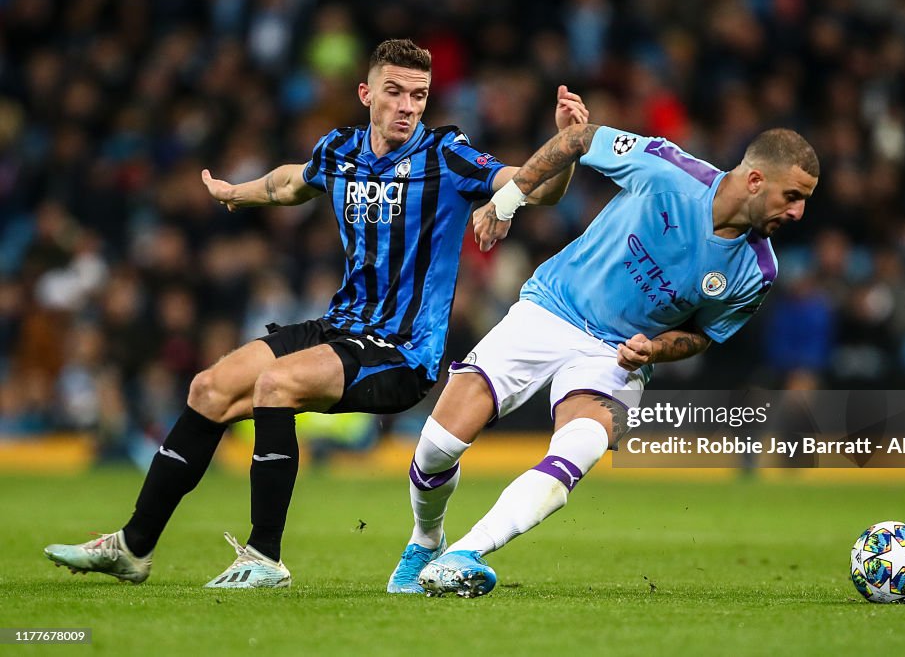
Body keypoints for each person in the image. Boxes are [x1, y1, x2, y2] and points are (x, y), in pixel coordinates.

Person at [44, 39, 589, 589]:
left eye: (418, 96)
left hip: (401, 350)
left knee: (275, 384)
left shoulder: (446, 156)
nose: (406, 106)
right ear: (366, 93)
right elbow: (289, 183)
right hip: (340, 326)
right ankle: (133, 547)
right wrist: (239, 192)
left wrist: (565, 146)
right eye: (394, 92)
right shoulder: (340, 150)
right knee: (209, 388)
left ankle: (264, 557)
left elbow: (534, 189)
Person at [387, 124, 818, 597]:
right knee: (437, 446)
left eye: (804, 202)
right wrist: (506, 201)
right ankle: (427, 541)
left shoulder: (758, 270)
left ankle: (464, 555)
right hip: (551, 308)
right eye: (792, 196)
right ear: (755, 180)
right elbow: (579, 138)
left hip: (614, 355)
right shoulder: (667, 169)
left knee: (582, 444)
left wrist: (654, 349)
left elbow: (702, 335)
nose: (798, 212)